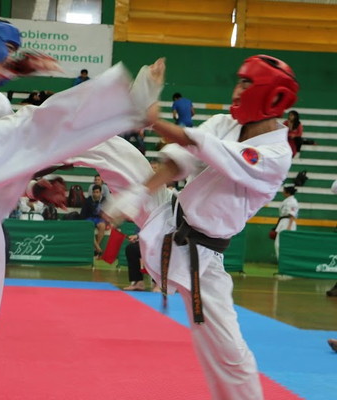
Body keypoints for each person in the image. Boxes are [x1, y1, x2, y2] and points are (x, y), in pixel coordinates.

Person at [0, 18, 165, 400]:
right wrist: (9, 67)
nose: (12, 55)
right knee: (32, 123)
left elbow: (4, 158)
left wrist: (37, 188)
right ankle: (126, 102)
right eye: (8, 48)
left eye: (14, 51)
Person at [104, 54, 299, 400]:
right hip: (167, 215)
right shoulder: (225, 122)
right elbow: (180, 160)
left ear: (272, 97)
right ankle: (29, 161)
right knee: (111, 148)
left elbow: (200, 145)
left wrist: (154, 119)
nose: (237, 90)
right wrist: (137, 194)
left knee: (230, 354)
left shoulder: (275, 154)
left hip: (204, 259)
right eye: (239, 81)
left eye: (247, 83)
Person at [80, 184, 107, 255]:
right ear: (92, 193)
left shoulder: (104, 200)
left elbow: (106, 212)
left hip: (99, 219)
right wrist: (83, 222)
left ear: (100, 193)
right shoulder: (88, 200)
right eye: (94, 192)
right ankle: (98, 248)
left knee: (102, 226)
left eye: (97, 192)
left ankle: (96, 248)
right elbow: (83, 213)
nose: (95, 194)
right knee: (89, 227)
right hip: (89, 218)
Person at [274, 185, 298, 259]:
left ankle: (285, 261)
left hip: (288, 222)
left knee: (281, 243)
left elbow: (292, 214)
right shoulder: (287, 200)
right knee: (278, 243)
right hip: (283, 221)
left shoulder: (292, 201)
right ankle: (281, 261)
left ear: (288, 192)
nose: (283, 192)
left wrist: (289, 227)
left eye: (284, 190)